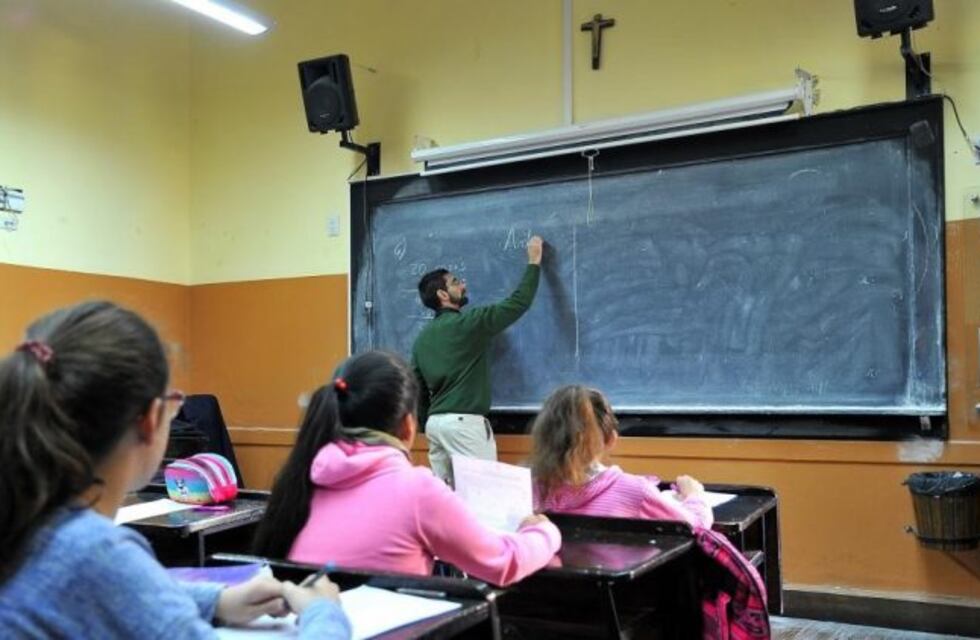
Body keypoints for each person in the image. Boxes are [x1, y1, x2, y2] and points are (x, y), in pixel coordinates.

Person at [0, 301, 349, 639]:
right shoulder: (95, 550)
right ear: (151, 419)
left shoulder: (30, 521)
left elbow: (121, 596)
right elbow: (109, 583)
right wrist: (325, 612)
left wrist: (218, 601)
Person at [252, 350, 560, 587]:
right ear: (408, 426)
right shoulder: (417, 490)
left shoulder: (300, 479)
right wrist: (543, 531)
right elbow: (503, 563)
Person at [412, 235, 544, 484]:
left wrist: (425, 423)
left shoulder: (421, 340)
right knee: (484, 495)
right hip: (465, 425)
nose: (463, 285)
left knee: (445, 500)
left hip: (435, 425)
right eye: (455, 282)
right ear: (443, 294)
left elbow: (416, 388)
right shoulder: (470, 324)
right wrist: (534, 262)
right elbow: (518, 303)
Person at [529, 385, 713, 529]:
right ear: (611, 439)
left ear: (542, 437)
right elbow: (695, 525)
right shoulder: (636, 493)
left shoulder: (528, 492)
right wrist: (694, 495)